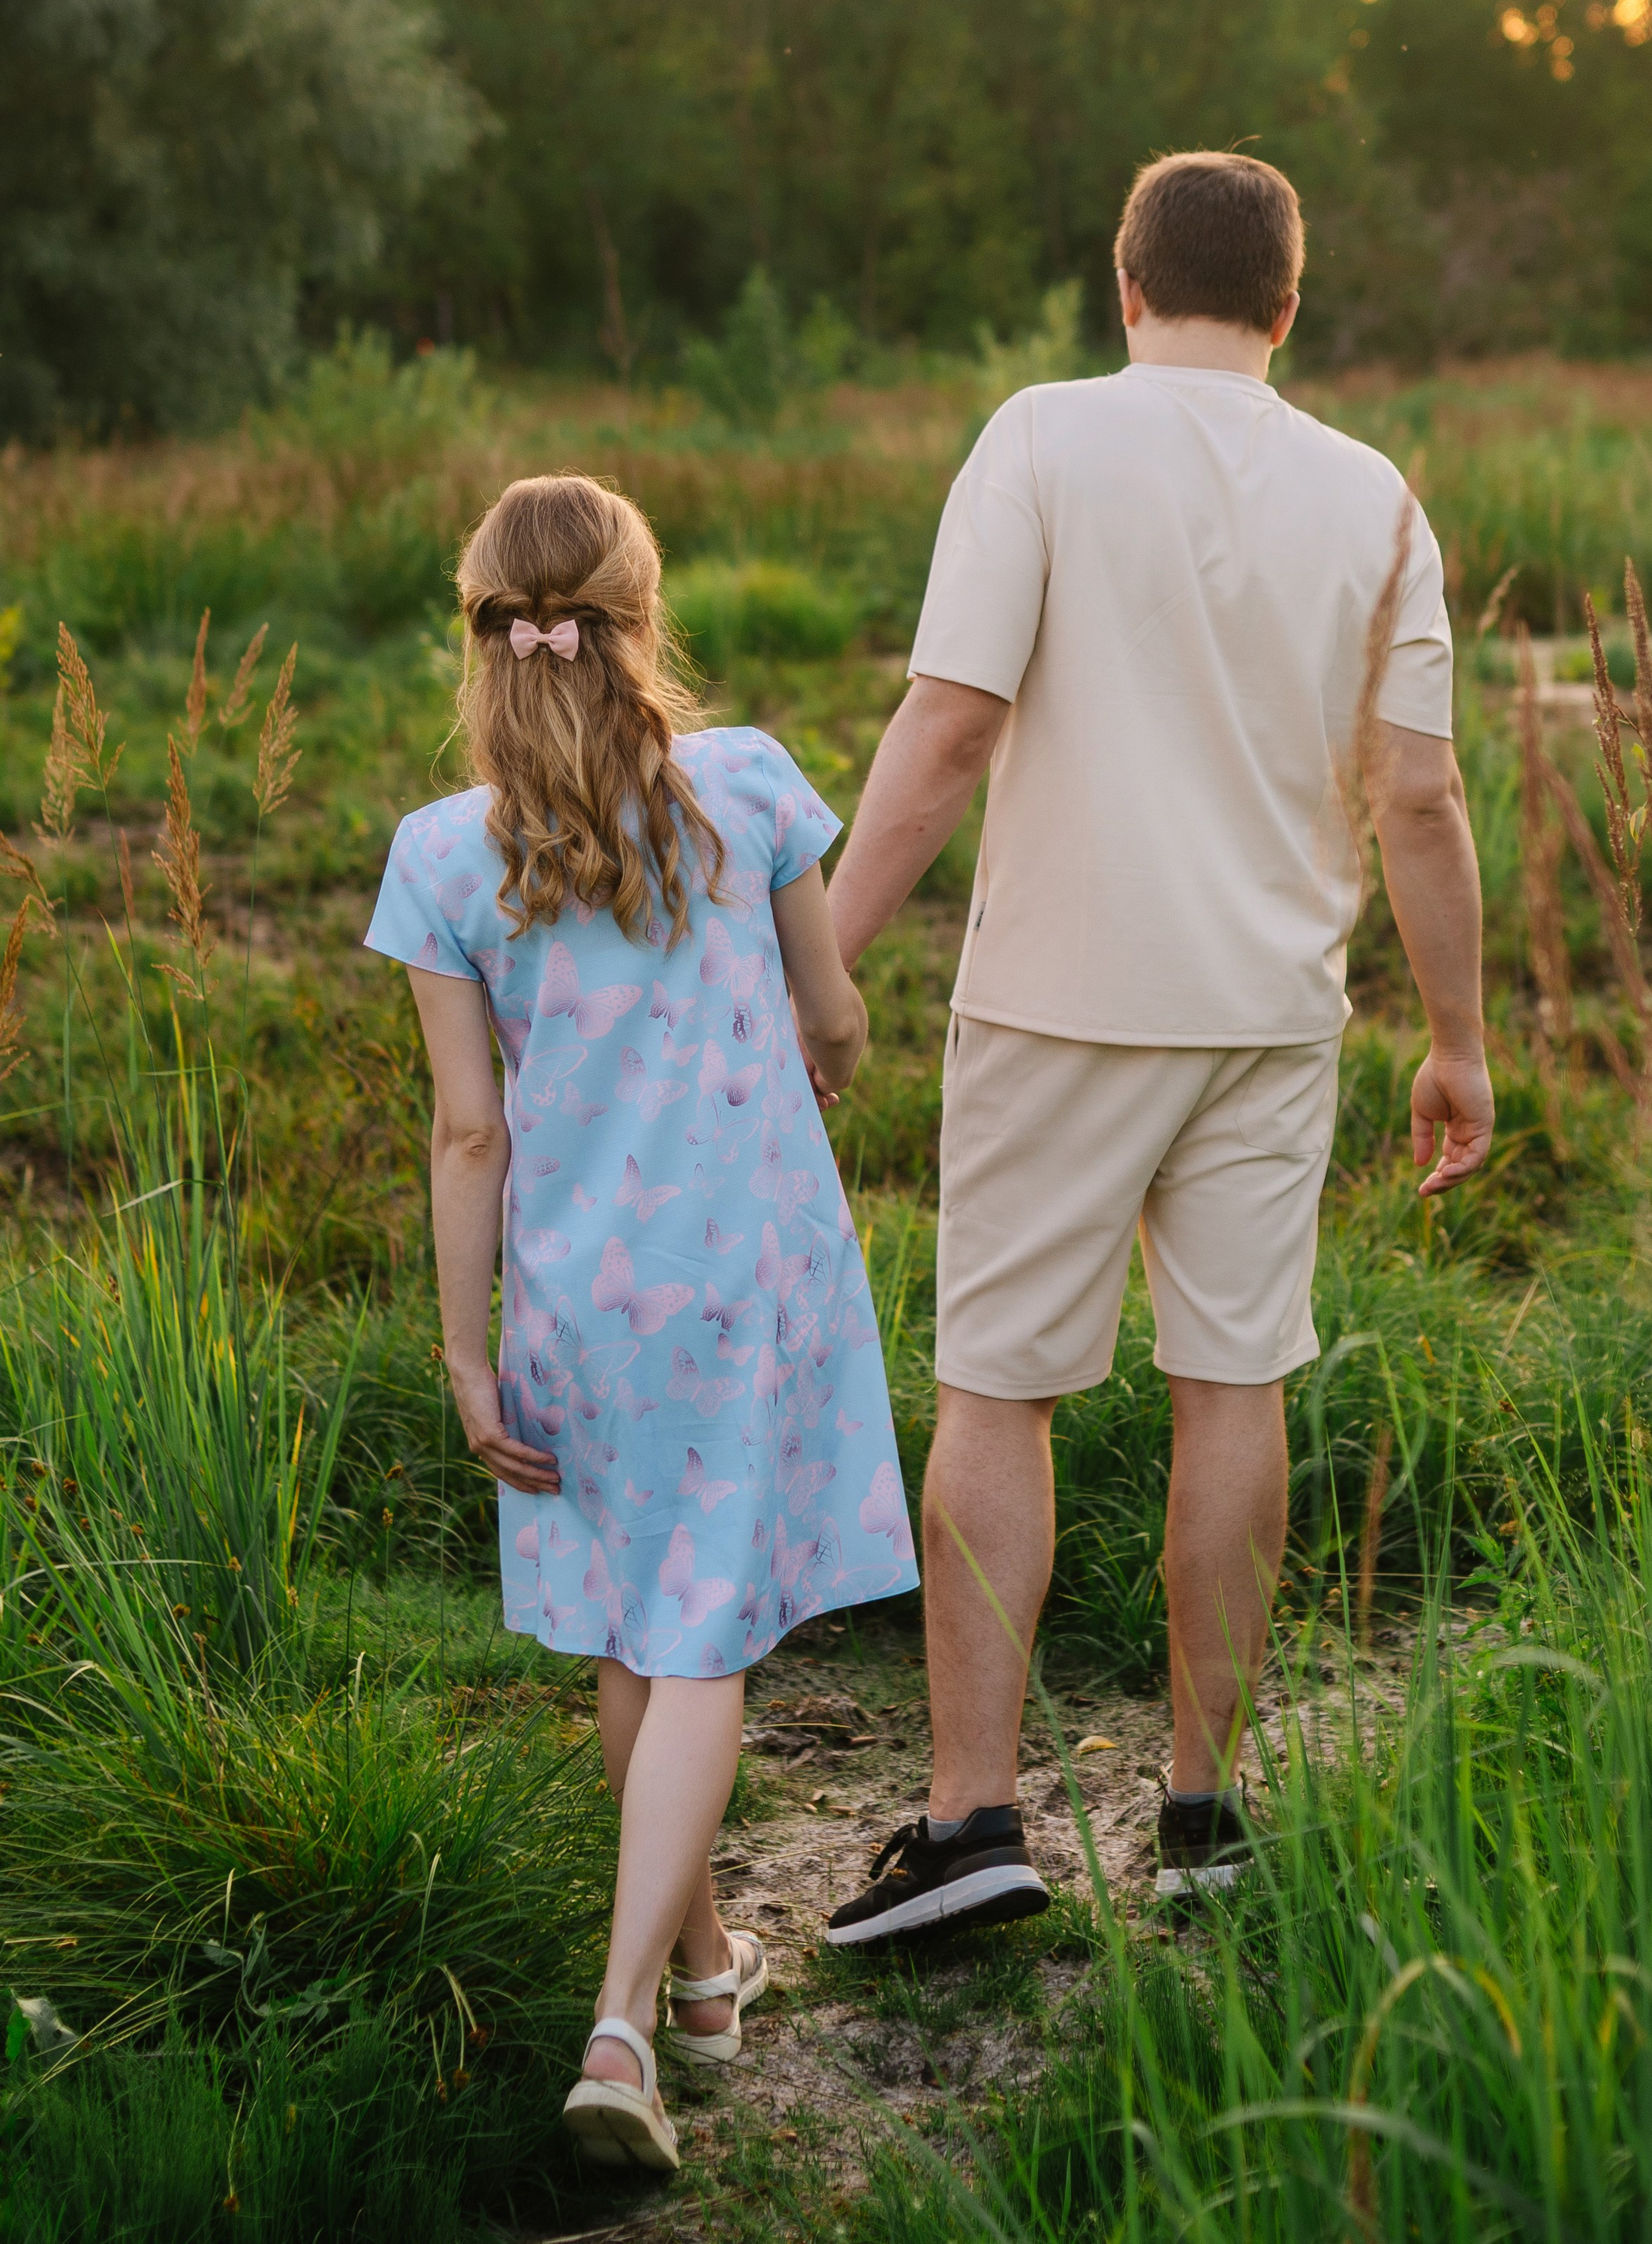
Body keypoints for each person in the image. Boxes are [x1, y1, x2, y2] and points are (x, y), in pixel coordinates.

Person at [821, 150, 1493, 1946]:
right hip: (1271, 1017)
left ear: (1124, 286)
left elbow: (950, 730)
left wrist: (815, 957)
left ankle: (971, 1825)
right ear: (1287, 305)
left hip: (1057, 997)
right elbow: (1415, 792)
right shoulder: (1374, 498)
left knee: (998, 1389)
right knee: (1232, 1385)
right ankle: (1201, 1814)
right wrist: (1457, 1044)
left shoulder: (1038, 437)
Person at [366, 474, 919, 2174]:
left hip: (575, 1298)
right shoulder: (747, 788)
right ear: (638, 609)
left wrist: (463, 1355)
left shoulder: (442, 853)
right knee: (692, 1638)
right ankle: (621, 2019)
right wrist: (809, 1055)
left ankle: (698, 1979)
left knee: (640, 1621)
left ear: (480, 629)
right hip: (742, 1279)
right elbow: (833, 1015)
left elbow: (469, 1130)